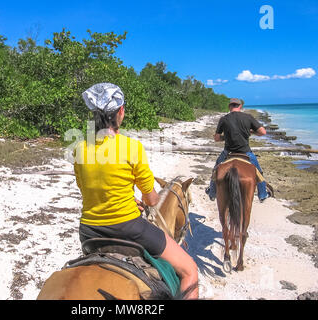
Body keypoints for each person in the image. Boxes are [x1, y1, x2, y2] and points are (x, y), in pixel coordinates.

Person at [73, 83, 198, 299]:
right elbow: (150, 200)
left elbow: (88, 190)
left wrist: (125, 198)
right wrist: (147, 198)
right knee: (190, 271)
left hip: (88, 230)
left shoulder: (79, 147)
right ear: (120, 112)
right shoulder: (132, 148)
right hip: (128, 228)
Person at [205, 98, 272, 202]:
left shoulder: (224, 119)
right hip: (245, 152)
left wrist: (225, 137)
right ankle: (262, 194)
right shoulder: (248, 117)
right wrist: (251, 132)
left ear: (229, 106)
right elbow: (263, 132)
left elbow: (217, 138)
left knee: (215, 170)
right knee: (259, 171)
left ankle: (212, 192)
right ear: (240, 106)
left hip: (228, 152)